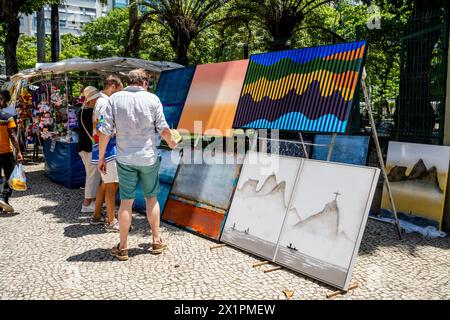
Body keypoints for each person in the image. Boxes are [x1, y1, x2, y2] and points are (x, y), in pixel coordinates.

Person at [98, 69, 178, 261]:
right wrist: (172, 142)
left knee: (126, 201)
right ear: (145, 82)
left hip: (125, 158)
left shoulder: (114, 99)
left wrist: (101, 158)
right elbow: (163, 128)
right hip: (148, 158)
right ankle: (156, 241)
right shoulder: (153, 99)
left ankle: (123, 247)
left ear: (129, 81)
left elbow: (104, 132)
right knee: (152, 198)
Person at [90, 75, 123, 232]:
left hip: (102, 147)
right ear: (112, 87)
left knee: (105, 184)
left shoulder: (99, 101)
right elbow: (103, 129)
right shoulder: (105, 103)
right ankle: (111, 221)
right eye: (119, 90)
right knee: (112, 186)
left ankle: (96, 216)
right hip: (107, 148)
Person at [77, 86, 101, 213]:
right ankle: (87, 203)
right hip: (89, 148)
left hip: (83, 147)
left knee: (91, 174)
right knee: (92, 175)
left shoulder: (81, 112)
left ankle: (93, 200)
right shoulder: (90, 112)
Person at [0, 90, 23, 213]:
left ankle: (3, 202)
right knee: (11, 177)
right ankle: (3, 197)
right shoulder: (7, 117)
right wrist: (19, 151)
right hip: (5, 152)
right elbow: (13, 135)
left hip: (5, 152)